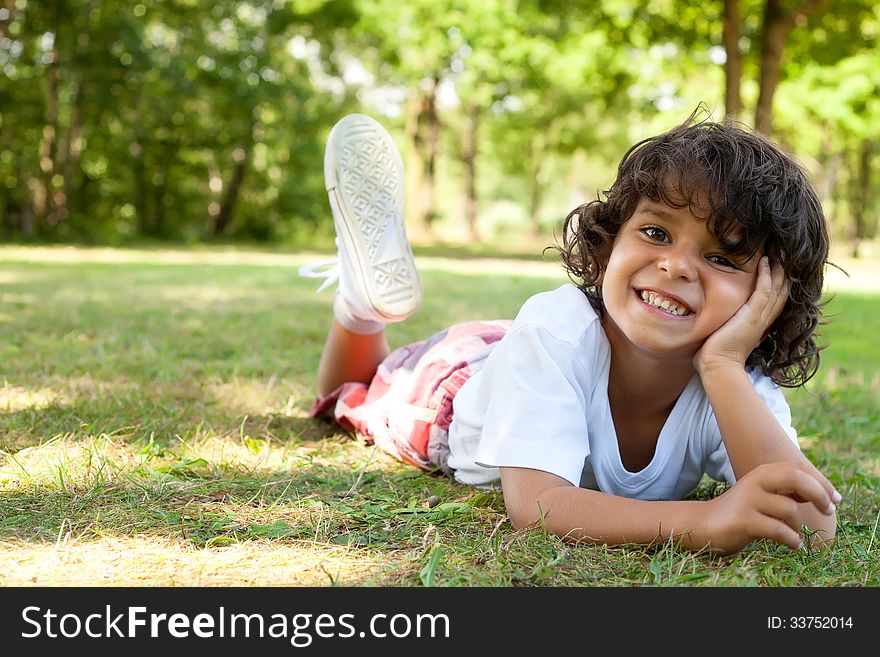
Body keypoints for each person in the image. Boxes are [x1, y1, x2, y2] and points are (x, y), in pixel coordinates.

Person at [299, 110, 840, 556]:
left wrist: (721, 365)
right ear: (607, 249)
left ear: (767, 299)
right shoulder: (556, 332)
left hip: (530, 357)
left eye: (721, 256)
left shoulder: (738, 384)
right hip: (458, 388)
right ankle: (360, 307)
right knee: (357, 390)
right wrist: (705, 521)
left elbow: (811, 524)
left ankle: (362, 306)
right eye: (655, 232)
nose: (676, 266)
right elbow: (538, 506)